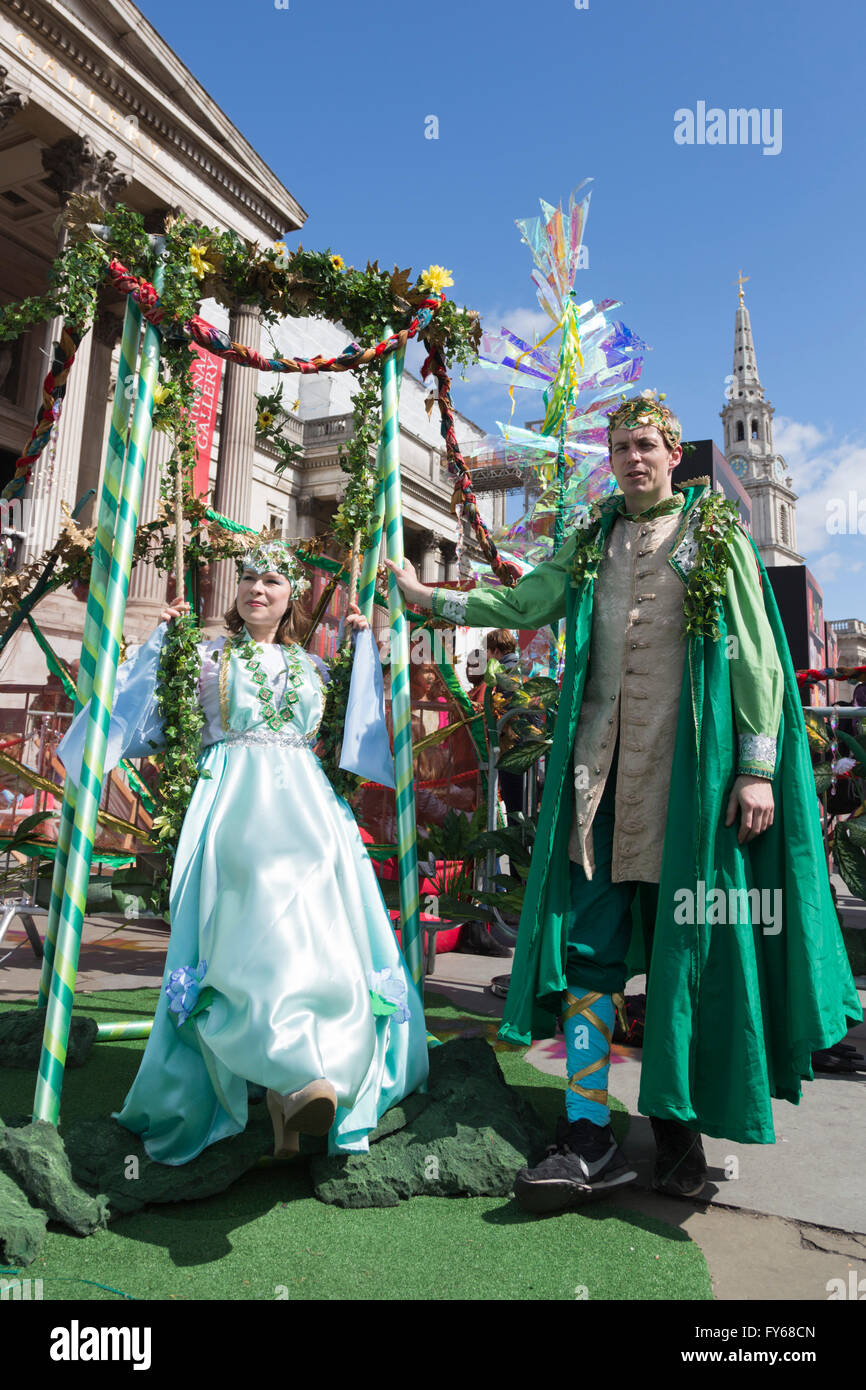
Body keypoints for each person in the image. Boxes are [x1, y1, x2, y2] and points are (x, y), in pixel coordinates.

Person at [386, 394, 862, 1213]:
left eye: (645, 444)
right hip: (600, 789)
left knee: (689, 956)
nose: (632, 457)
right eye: (619, 446)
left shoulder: (716, 536)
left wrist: (754, 768)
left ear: (674, 452)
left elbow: (756, 658)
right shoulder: (594, 537)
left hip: (691, 789)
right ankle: (585, 1126)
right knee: (592, 958)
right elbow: (525, 603)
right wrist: (428, 598)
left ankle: (677, 1122)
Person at [59, 541, 429, 1164]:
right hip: (233, 804)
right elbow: (143, 714)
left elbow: (358, 732)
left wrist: (369, 648)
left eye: (274, 581)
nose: (259, 588)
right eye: (249, 578)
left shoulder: (315, 667)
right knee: (253, 921)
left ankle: (308, 1082)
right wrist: (162, 642)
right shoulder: (205, 656)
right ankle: (289, 1072)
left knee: (321, 933)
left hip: (311, 813)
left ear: (292, 598)